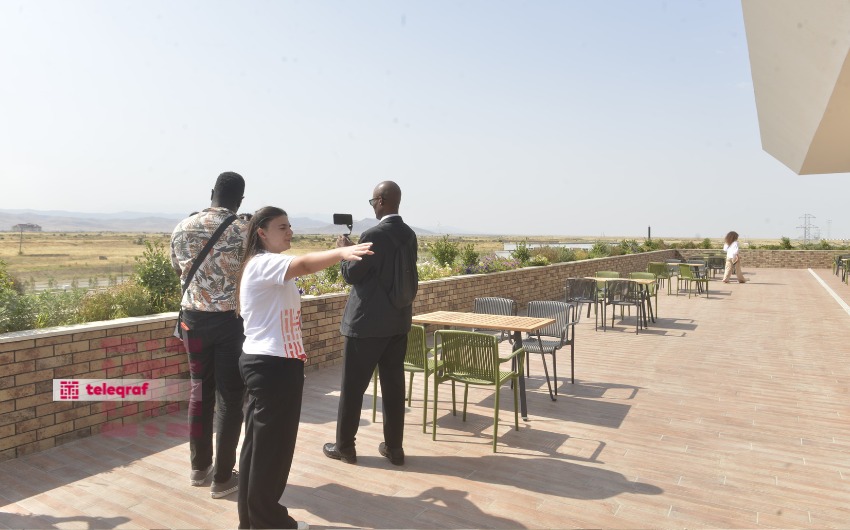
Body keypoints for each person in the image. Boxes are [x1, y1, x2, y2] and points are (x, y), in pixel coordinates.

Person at [237, 206, 373, 530]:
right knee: (272, 452)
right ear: (261, 233)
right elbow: (305, 264)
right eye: (282, 227)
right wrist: (341, 252)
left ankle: (252, 521)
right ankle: (269, 523)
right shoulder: (265, 263)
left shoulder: (262, 265)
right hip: (273, 367)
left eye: (290, 226)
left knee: (258, 449)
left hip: (266, 364)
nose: (290, 232)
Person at [323, 181, 418, 466]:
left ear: (382, 201)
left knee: (353, 388)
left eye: (373, 201)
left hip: (365, 326)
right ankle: (394, 448)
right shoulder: (409, 234)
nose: (373, 206)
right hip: (398, 323)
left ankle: (345, 447)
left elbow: (352, 275)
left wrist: (344, 252)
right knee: (394, 387)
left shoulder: (374, 235)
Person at [170, 171, 248, 499]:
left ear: (212, 191)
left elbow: (178, 269)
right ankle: (223, 478)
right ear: (240, 199)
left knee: (199, 392)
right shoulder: (245, 230)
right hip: (230, 322)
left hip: (193, 321)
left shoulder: (182, 226)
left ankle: (199, 468)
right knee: (230, 397)